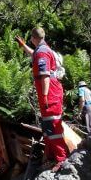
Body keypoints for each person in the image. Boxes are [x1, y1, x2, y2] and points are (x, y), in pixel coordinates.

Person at [16, 28, 69, 172]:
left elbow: (45, 75)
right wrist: (23, 45)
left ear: (33, 38)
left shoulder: (42, 52)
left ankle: (61, 158)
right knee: (47, 127)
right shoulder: (42, 49)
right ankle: (51, 156)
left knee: (53, 126)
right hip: (49, 91)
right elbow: (34, 54)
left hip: (50, 92)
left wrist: (45, 95)